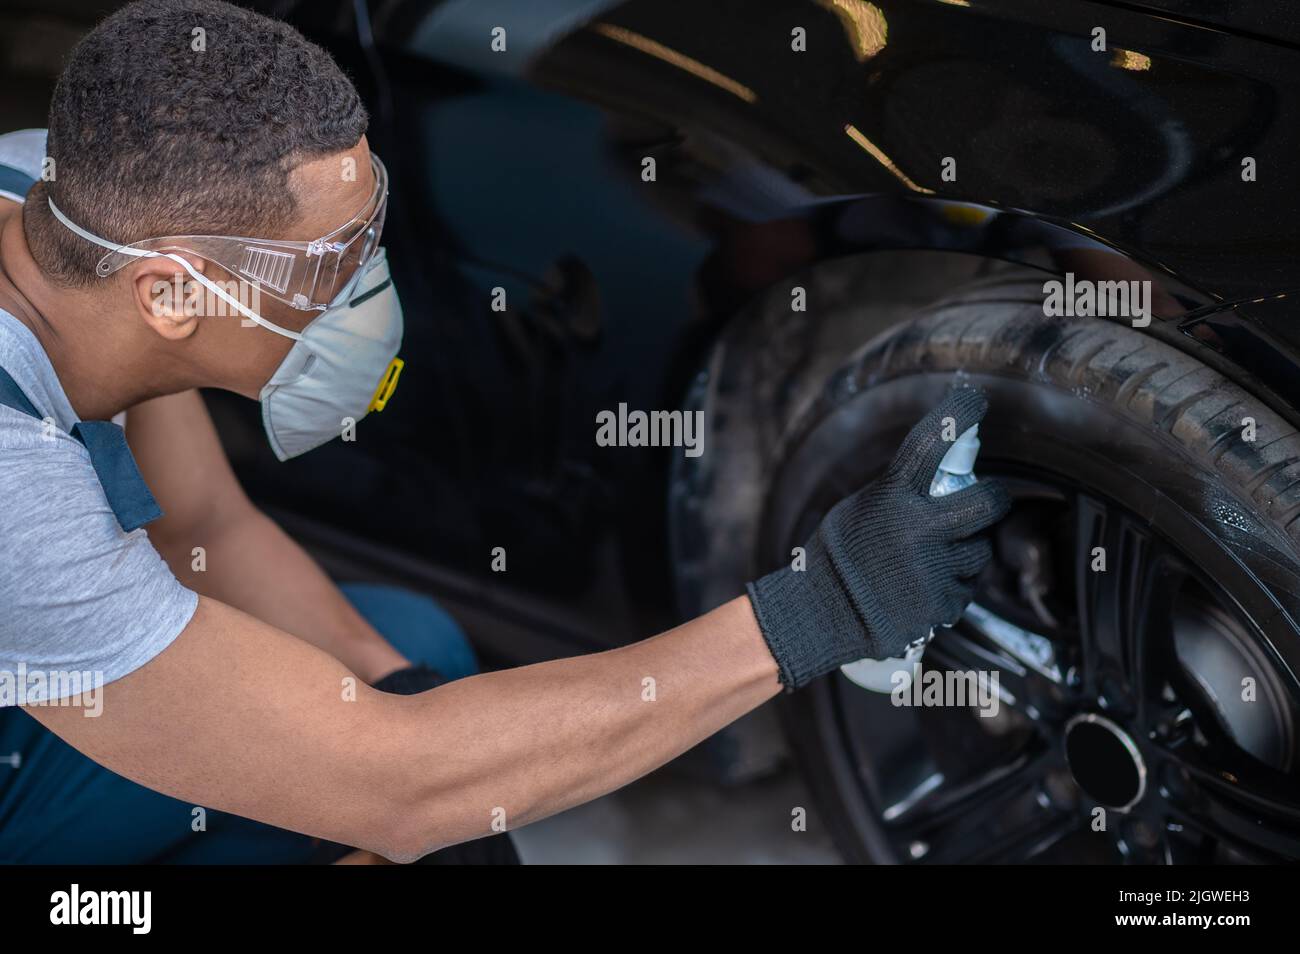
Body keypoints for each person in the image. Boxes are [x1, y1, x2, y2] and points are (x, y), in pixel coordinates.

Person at [0, 0, 1009, 864]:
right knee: (375, 788)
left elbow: (198, 522)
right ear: (170, 293)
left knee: (406, 647)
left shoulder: (47, 203)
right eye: (324, 268)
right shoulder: (17, 488)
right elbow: (387, 784)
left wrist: (402, 697)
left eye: (365, 236)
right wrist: (817, 609)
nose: (361, 290)